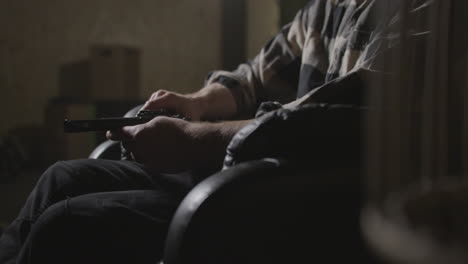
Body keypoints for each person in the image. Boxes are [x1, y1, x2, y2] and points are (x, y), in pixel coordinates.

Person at [0, 0, 412, 263]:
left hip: (291, 196)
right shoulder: (327, 9)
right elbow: (254, 77)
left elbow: (336, 117)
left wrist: (192, 139)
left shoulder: (421, 12)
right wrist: (196, 102)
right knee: (61, 178)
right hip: (245, 166)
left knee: (65, 224)